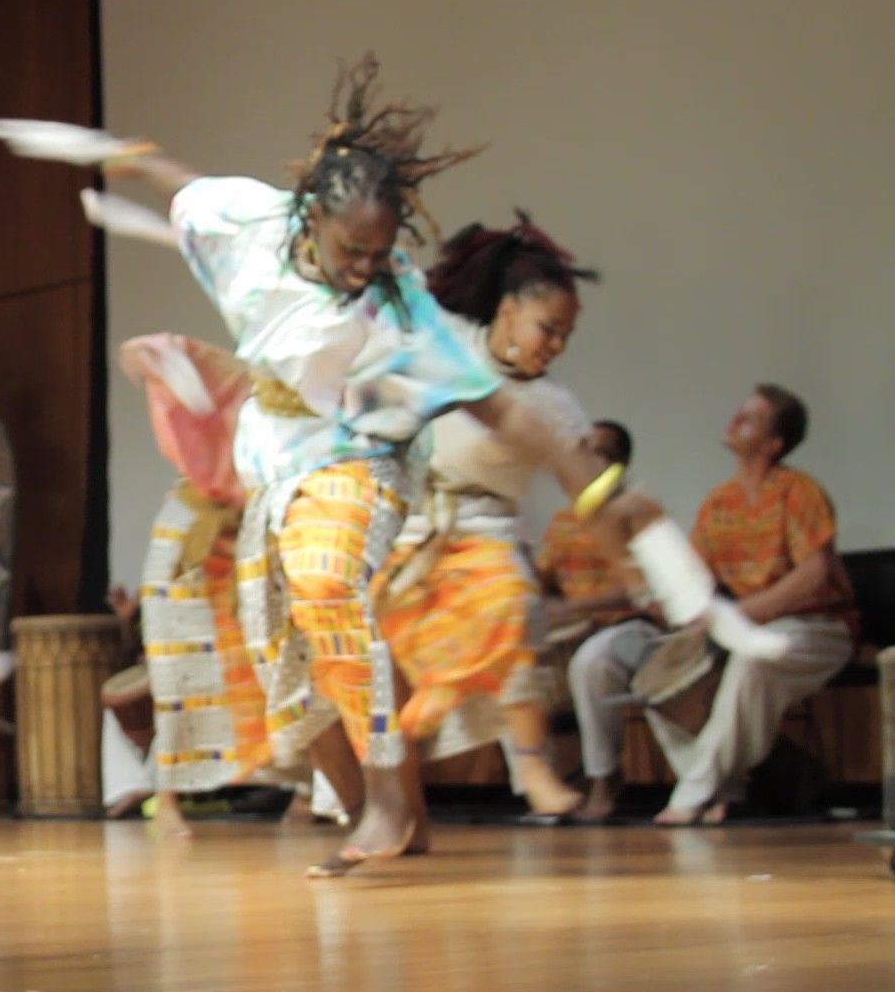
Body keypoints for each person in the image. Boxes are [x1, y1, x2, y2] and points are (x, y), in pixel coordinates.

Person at [84, 55, 671, 875]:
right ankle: (382, 813)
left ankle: (391, 800)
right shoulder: (247, 223)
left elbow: (498, 406)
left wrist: (592, 481)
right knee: (284, 665)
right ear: (310, 216)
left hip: (364, 460)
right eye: (353, 247)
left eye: (383, 248)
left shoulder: (398, 303)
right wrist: (119, 150)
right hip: (276, 464)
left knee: (325, 581)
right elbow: (181, 183)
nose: (368, 264)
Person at [369, 214, 599, 820]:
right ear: (506, 310)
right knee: (368, 649)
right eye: (548, 328)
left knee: (511, 606)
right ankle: (382, 794)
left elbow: (586, 485)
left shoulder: (557, 407)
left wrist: (626, 530)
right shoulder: (449, 342)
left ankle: (531, 766)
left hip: (486, 528)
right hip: (414, 521)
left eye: (566, 336)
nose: (556, 345)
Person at [567, 386, 853, 823]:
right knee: (659, 680)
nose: (735, 420)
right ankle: (727, 789)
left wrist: (741, 616)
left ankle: (693, 795)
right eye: (739, 412)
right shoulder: (721, 501)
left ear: (774, 443)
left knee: (751, 663)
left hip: (816, 628)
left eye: (750, 418)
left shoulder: (798, 491)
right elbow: (695, 578)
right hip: (750, 627)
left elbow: (814, 575)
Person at [116, 331, 301, 838]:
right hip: (192, 529)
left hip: (251, 529)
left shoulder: (297, 393)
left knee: (278, 663)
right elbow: (139, 351)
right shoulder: (231, 376)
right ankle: (168, 797)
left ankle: (307, 791)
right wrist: (185, 375)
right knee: (182, 673)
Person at [537, 421, 645, 637]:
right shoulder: (564, 520)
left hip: (627, 624)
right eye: (585, 453)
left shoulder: (637, 514)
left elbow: (640, 590)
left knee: (592, 664)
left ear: (622, 463)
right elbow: (545, 579)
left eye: (602, 453)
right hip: (576, 622)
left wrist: (575, 607)